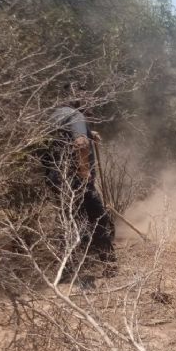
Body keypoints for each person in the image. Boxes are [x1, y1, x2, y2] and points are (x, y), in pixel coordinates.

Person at [42, 88, 117, 280]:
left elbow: (59, 139)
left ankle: (68, 270)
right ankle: (108, 264)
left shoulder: (53, 116)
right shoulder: (76, 116)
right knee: (98, 218)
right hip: (76, 180)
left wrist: (89, 133)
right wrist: (84, 172)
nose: (90, 110)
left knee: (69, 220)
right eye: (88, 106)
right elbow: (81, 143)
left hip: (55, 179)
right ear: (80, 104)